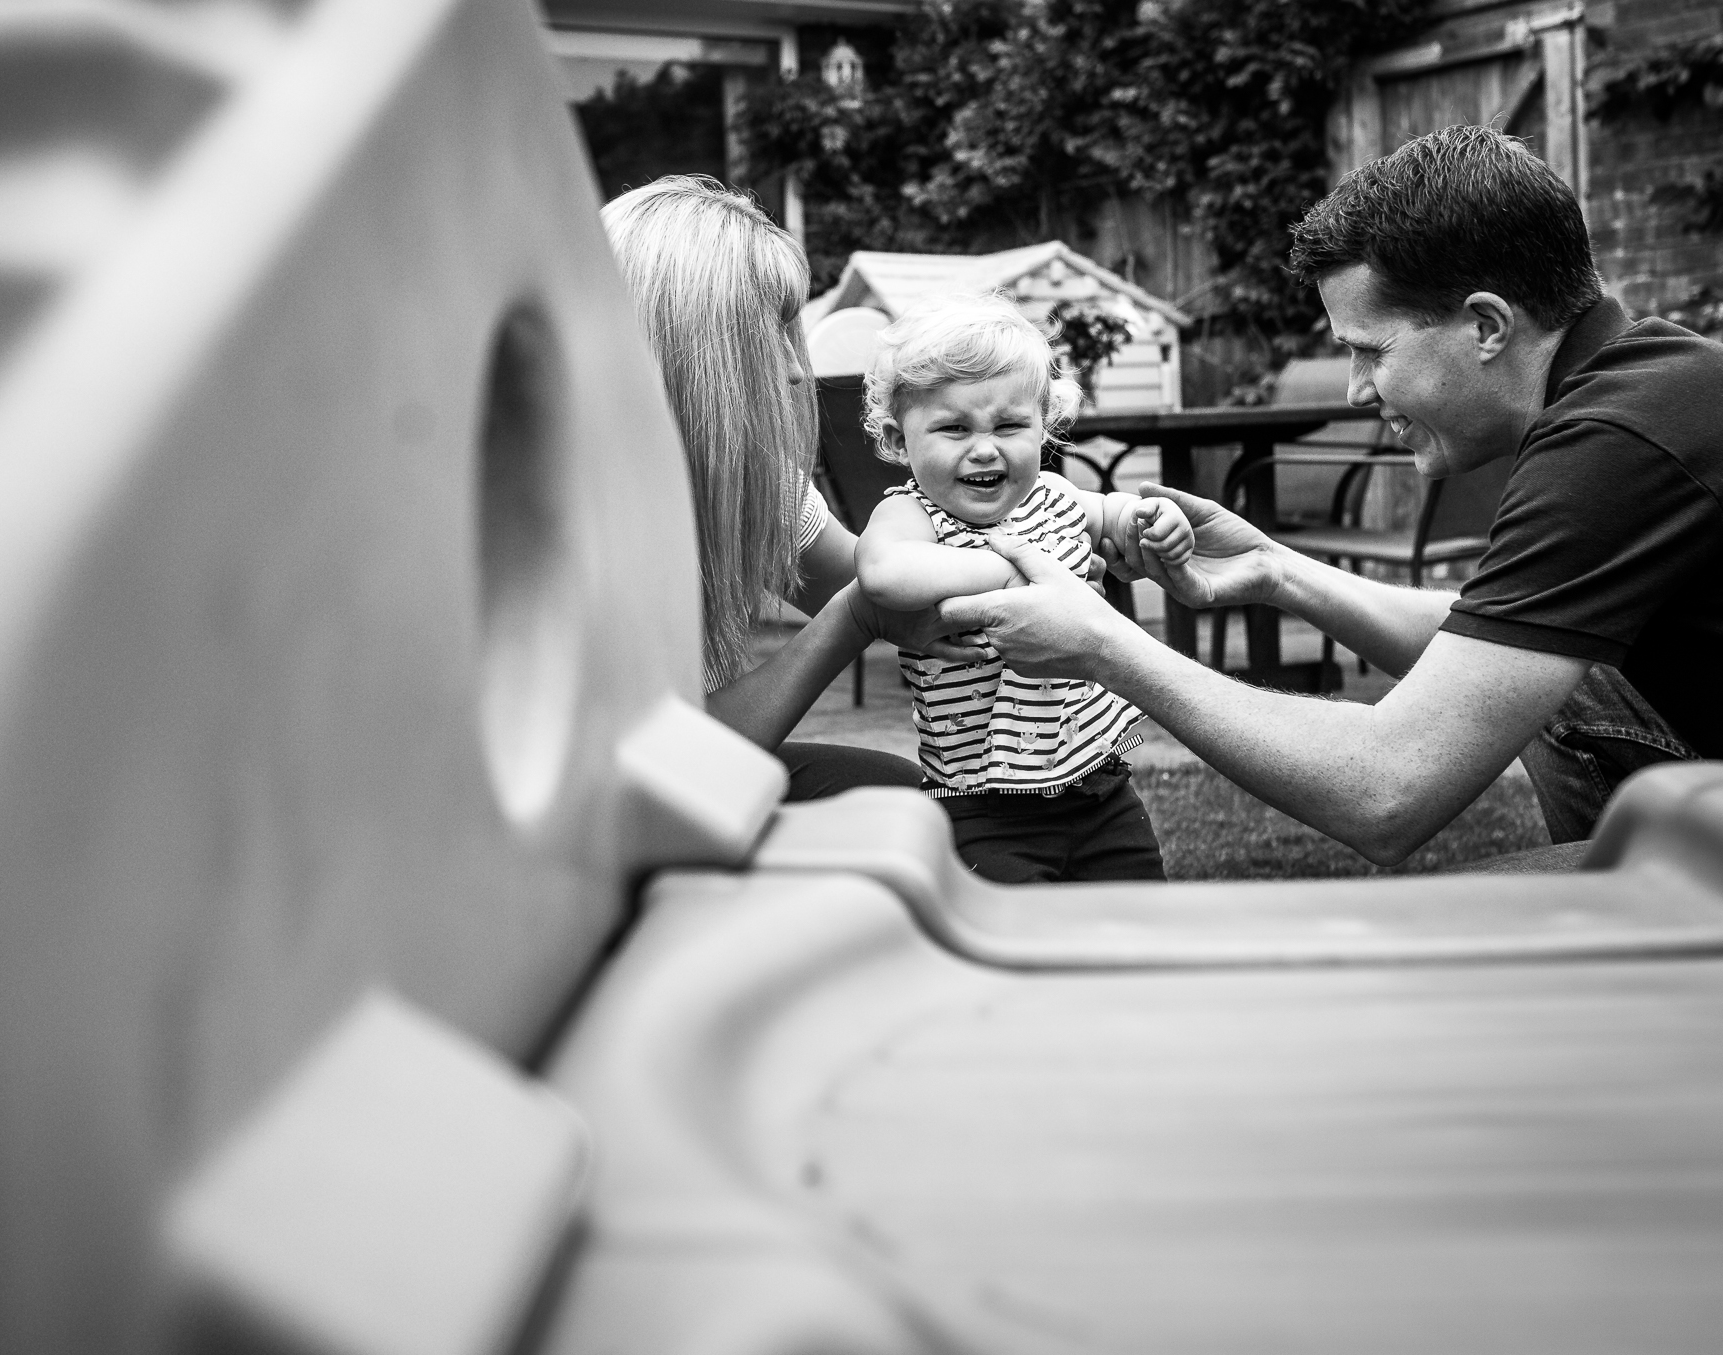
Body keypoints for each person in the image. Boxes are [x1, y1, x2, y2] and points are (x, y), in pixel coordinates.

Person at [935, 124, 1722, 867]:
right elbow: (1491, 652)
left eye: (1370, 351)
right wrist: (1277, 570)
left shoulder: (1613, 444)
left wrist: (1104, 643)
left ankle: (1646, 934)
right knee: (1561, 680)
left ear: (1487, 325)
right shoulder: (1646, 385)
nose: (1355, 389)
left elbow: (1387, 789)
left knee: (1433, 932)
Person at [600, 175, 981, 800]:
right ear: (684, 350)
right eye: (765, 335)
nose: (797, 369)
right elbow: (662, 762)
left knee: (910, 798)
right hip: (598, 808)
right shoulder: (570, 514)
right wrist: (853, 619)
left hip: (678, 773)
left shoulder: (750, 480)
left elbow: (892, 587)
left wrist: (1067, 543)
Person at [852, 295, 1191, 881]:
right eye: (954, 428)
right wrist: (1009, 572)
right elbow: (883, 572)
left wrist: (1155, 521)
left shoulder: (1052, 498)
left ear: (1044, 425)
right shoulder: (914, 516)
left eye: (1009, 426)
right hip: (983, 805)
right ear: (899, 440)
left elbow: (1113, 515)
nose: (985, 448)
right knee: (1010, 931)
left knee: (1134, 920)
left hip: (1098, 786)